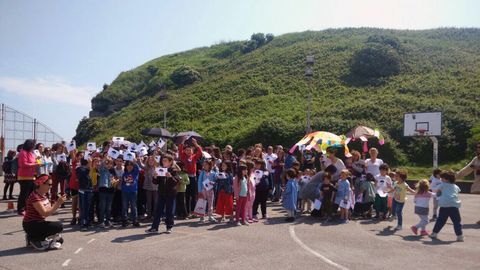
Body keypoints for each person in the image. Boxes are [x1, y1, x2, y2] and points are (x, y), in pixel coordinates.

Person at [23, 174, 65, 250]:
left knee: (60, 238)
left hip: (38, 222)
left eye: (51, 184)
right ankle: (34, 238)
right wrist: (58, 203)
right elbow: (44, 213)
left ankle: (32, 237)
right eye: (49, 184)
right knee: (59, 226)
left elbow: (48, 211)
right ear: (41, 184)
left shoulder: (43, 195)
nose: (51, 186)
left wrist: (56, 203)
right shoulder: (34, 196)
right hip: (31, 224)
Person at [146, 154, 181, 234]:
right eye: (162, 160)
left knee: (169, 211)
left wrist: (170, 177)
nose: (163, 162)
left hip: (171, 194)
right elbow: (156, 182)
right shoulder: (160, 169)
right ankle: (154, 227)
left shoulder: (174, 170)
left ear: (170, 162)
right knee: (158, 210)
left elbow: (176, 182)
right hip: (161, 193)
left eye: (165, 161)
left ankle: (169, 227)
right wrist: (154, 177)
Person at [430, 170, 464, 242]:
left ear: (447, 179)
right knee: (456, 221)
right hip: (454, 206)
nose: (441, 179)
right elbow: (457, 192)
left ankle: (434, 233)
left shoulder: (442, 185)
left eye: (442, 178)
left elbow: (438, 193)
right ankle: (459, 236)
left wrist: (435, 195)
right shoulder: (455, 186)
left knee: (441, 220)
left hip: (444, 206)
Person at [456, 142, 480, 225]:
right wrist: (454, 177)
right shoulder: (476, 159)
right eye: (477, 147)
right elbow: (466, 170)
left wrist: (478, 168)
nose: (478, 149)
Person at [178, 137, 203, 217]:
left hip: (193, 177)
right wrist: (183, 141)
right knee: (187, 195)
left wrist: (196, 144)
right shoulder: (183, 157)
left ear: (192, 151)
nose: (188, 151)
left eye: (190, 150)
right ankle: (187, 212)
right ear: (185, 151)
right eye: (187, 150)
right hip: (186, 177)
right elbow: (180, 151)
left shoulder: (194, 157)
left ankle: (194, 211)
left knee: (193, 195)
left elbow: (200, 152)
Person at [17, 139, 39, 215]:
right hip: (24, 176)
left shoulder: (31, 153)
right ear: (29, 145)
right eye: (33, 146)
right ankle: (21, 209)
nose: (34, 147)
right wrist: (35, 164)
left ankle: (27, 208)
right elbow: (23, 164)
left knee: (30, 194)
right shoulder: (23, 153)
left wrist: (37, 162)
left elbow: (33, 162)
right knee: (24, 194)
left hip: (31, 176)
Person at [97, 157, 117, 228]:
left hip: (111, 190)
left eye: (110, 164)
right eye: (107, 163)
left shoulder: (112, 170)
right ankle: (101, 221)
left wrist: (115, 181)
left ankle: (107, 221)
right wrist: (105, 159)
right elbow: (101, 164)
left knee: (108, 207)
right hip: (103, 190)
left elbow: (115, 178)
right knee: (102, 206)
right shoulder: (102, 170)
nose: (109, 165)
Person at [122, 160, 140, 227]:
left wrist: (135, 162)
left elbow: (137, 168)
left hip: (133, 192)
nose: (129, 166)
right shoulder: (124, 173)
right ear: (126, 166)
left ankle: (135, 221)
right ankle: (125, 220)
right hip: (125, 192)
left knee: (133, 206)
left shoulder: (135, 173)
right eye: (128, 165)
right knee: (124, 207)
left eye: (131, 165)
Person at [77, 158, 93, 231]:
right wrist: (89, 164)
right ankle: (84, 223)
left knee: (87, 207)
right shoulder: (80, 169)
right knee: (84, 208)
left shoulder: (83, 169)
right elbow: (86, 171)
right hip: (84, 191)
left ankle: (87, 221)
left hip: (87, 190)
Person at [142, 156, 158, 221]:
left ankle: (155, 215)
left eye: (152, 160)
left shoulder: (156, 168)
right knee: (148, 202)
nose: (151, 161)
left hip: (155, 187)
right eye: (149, 161)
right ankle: (149, 215)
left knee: (156, 202)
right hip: (148, 187)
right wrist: (138, 160)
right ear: (147, 162)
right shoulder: (146, 168)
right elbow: (140, 165)